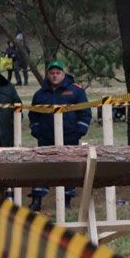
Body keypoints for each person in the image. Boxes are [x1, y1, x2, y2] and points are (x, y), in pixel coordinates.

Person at [28, 60, 92, 210]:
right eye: (52, 73)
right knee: (42, 168)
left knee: (67, 167)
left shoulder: (76, 91)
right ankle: (37, 199)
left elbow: (85, 113)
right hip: (46, 138)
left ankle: (66, 199)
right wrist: (36, 130)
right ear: (48, 75)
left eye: (57, 73)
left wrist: (79, 131)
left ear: (63, 74)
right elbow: (33, 116)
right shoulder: (39, 94)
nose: (54, 76)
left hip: (69, 136)